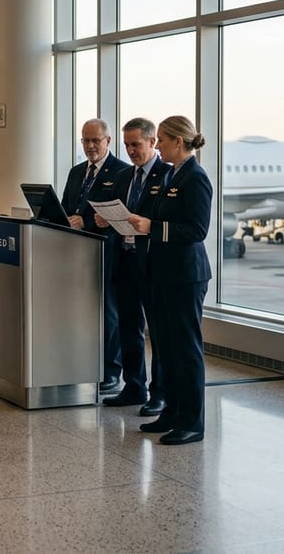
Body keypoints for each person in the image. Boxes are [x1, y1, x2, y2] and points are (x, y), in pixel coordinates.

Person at [129, 115, 212, 446]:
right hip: (161, 272)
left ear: (179, 142)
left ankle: (192, 421)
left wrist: (152, 228)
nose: (157, 144)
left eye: (162, 139)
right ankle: (173, 412)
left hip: (185, 276)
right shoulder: (171, 175)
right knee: (165, 346)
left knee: (186, 349)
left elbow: (196, 230)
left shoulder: (196, 178)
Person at [93, 118, 171, 414]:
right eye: (126, 145)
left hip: (151, 263)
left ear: (152, 142)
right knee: (128, 327)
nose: (130, 151)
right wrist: (105, 220)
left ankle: (159, 393)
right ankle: (134, 385)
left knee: (158, 332)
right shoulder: (125, 176)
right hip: (124, 259)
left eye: (135, 144)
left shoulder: (166, 175)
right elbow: (121, 215)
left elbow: (160, 219)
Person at [59, 118, 129, 395]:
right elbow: (66, 206)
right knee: (85, 312)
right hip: (76, 253)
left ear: (108, 141)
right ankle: (85, 364)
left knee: (109, 314)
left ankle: (111, 372)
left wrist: (85, 223)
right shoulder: (77, 172)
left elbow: (119, 215)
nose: (90, 146)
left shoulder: (122, 172)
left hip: (108, 252)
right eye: (85, 140)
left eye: (95, 141)